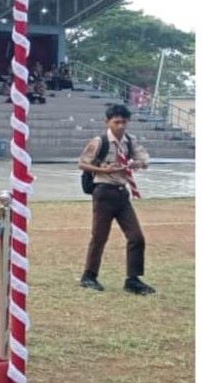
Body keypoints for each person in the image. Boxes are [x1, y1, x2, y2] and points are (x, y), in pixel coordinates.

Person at [79, 104, 154, 295]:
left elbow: (144, 157)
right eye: (116, 122)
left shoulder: (129, 141)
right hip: (104, 191)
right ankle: (89, 276)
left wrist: (139, 162)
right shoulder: (100, 141)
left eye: (124, 122)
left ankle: (133, 279)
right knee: (99, 237)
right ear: (108, 122)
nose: (120, 126)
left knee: (136, 237)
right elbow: (82, 164)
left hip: (122, 192)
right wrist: (105, 170)